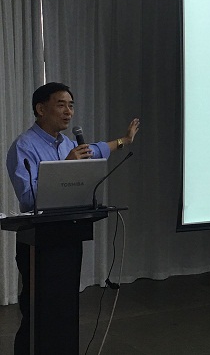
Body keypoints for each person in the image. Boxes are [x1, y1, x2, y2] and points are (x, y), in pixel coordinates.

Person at [5, 82, 140, 355]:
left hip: (68, 235)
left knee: (65, 311)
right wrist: (65, 166)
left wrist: (123, 141)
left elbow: (96, 150)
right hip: (39, 241)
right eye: (61, 105)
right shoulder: (24, 146)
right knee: (40, 313)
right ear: (40, 109)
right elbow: (29, 198)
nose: (69, 112)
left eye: (71, 106)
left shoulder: (67, 143)